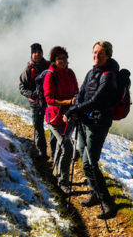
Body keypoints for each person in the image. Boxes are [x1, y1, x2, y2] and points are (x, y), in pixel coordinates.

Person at [64, 40, 119, 220]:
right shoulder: (91, 72)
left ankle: (108, 203)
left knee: (91, 164)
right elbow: (81, 94)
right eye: (94, 52)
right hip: (85, 121)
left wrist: (74, 110)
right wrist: (77, 109)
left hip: (98, 124)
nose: (96, 56)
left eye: (100, 53)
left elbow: (96, 100)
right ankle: (95, 193)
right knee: (86, 162)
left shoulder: (109, 76)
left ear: (108, 56)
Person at [43, 46, 78, 194]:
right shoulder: (50, 76)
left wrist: (75, 105)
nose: (63, 61)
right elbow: (49, 99)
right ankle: (62, 181)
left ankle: (55, 174)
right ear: (54, 61)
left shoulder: (70, 73)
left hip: (69, 116)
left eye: (64, 58)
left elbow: (77, 90)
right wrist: (68, 102)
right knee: (67, 147)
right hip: (55, 118)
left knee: (60, 146)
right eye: (59, 58)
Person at [19, 43, 50, 158]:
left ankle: (54, 150)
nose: (37, 54)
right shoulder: (28, 69)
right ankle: (42, 152)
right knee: (38, 127)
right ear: (31, 55)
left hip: (49, 102)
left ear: (42, 53)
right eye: (34, 52)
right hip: (35, 102)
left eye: (39, 52)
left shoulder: (49, 66)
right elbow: (22, 87)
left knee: (52, 126)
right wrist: (32, 94)